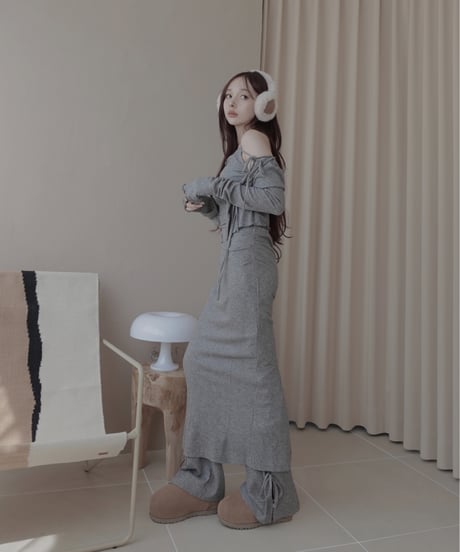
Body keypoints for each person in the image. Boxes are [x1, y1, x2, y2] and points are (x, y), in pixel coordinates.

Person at [149, 70, 300, 530]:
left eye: (245, 95)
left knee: (255, 371)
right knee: (202, 361)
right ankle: (202, 479)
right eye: (229, 95)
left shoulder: (254, 139)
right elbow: (242, 205)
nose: (233, 102)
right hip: (233, 264)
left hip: (249, 268)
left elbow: (273, 199)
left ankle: (270, 490)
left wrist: (214, 187)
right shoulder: (239, 149)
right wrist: (211, 206)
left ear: (264, 104)